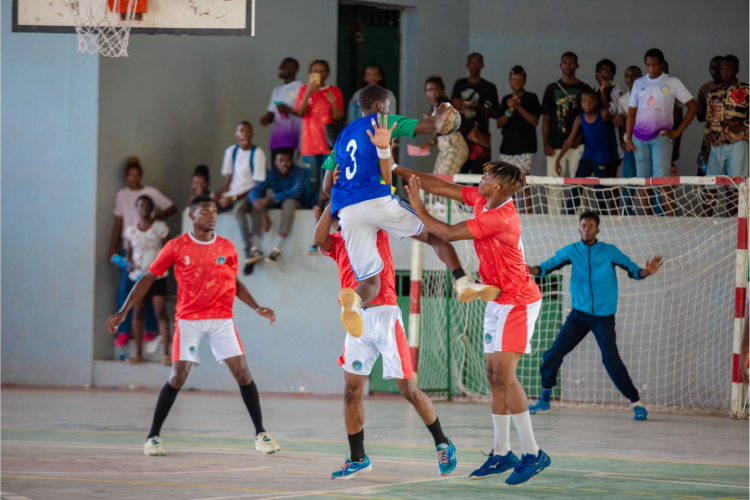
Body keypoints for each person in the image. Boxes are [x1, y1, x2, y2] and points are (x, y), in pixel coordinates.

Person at [394, 161, 550, 486]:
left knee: (506, 377)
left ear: (499, 188)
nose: (482, 178)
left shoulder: (500, 217)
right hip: (495, 298)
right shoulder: (483, 199)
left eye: (487, 176)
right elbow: (440, 186)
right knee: (494, 377)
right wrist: (396, 166)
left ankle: (533, 453)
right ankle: (502, 451)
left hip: (519, 301)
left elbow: (448, 233)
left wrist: (418, 206)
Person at [106, 195, 280, 457]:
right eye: (206, 212)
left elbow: (235, 284)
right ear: (192, 215)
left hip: (221, 319)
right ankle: (152, 437)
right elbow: (147, 279)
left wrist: (256, 307)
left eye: (214, 212)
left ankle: (261, 434)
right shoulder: (177, 247)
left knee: (243, 374)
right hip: (189, 319)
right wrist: (123, 311)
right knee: (178, 375)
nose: (212, 216)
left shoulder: (227, 247)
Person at [321, 85, 500, 337]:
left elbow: (327, 187)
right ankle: (461, 280)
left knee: (370, 283)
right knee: (434, 235)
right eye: (389, 107)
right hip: (376, 198)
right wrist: (445, 108)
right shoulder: (383, 120)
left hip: (347, 211)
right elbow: (433, 125)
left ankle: (353, 304)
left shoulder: (341, 137)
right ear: (381, 106)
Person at [314, 203, 457, 480]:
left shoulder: (373, 227)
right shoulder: (339, 242)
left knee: (408, 390)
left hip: (385, 315)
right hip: (357, 323)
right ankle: (358, 458)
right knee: (351, 392)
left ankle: (443, 443)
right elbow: (319, 238)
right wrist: (333, 200)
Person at [527, 211, 663, 420]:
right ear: (579, 228)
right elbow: (545, 268)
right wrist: (526, 269)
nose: (586, 229)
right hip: (578, 316)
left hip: (603, 318)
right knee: (553, 354)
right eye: (583, 225)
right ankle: (545, 399)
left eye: (591, 226)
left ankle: (636, 403)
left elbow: (634, 271)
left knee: (610, 360)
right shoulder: (572, 251)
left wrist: (647, 272)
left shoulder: (609, 252)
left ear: (597, 230)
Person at [110, 157, 177, 348]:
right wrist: (113, 248)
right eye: (130, 175)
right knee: (128, 294)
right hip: (134, 253)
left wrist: (155, 218)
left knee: (156, 303)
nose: (133, 178)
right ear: (126, 177)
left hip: (154, 261)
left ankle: (151, 331)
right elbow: (118, 222)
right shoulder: (122, 196)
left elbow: (171, 208)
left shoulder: (151, 195)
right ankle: (124, 332)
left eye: (136, 175)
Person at [625, 48, 698, 178]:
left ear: (662, 64)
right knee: (643, 183)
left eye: (655, 65)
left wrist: (678, 131)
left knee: (662, 180)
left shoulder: (672, 82)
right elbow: (631, 113)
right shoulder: (638, 83)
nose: (651, 69)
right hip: (639, 138)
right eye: (648, 65)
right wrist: (629, 139)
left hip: (662, 136)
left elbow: (693, 106)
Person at [216, 121, 269, 275]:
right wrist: (218, 195)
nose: (244, 134)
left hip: (250, 194)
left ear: (252, 134)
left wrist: (233, 198)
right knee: (209, 208)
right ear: (236, 135)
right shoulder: (231, 152)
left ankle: (249, 251)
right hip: (233, 193)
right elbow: (229, 180)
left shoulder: (257, 153)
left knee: (239, 211)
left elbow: (258, 184)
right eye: (241, 131)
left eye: (247, 131)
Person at [124, 195, 171, 365]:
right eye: (141, 205)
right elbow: (128, 254)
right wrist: (128, 264)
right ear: (137, 208)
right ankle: (137, 353)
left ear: (152, 208)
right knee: (137, 312)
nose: (144, 208)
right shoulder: (131, 231)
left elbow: (168, 250)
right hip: (138, 278)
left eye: (147, 205)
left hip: (157, 277)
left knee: (160, 312)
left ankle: (166, 354)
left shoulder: (160, 228)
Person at [295, 59, 344, 205]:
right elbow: (300, 112)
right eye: (315, 71)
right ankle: (312, 210)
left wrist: (334, 102)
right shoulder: (304, 89)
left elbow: (338, 117)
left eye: (322, 71)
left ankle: (327, 209)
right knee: (312, 180)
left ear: (327, 73)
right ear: (310, 73)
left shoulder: (334, 91)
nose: (319, 74)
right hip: (309, 144)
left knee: (327, 180)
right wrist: (308, 94)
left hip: (327, 145)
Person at [247, 150, 308, 268]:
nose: (283, 164)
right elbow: (254, 191)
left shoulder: (299, 172)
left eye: (287, 161)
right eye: (280, 160)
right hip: (277, 202)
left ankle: (277, 249)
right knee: (256, 204)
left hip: (299, 203)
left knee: (289, 202)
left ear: (291, 162)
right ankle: (256, 247)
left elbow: (296, 192)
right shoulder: (271, 173)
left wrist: (271, 198)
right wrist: (263, 210)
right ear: (275, 162)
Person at [556, 89, 613, 213]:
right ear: (580, 104)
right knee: (576, 186)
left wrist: (603, 91)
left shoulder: (603, 114)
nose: (587, 104)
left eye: (590, 101)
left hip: (602, 158)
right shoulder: (579, 119)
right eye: (584, 101)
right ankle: (568, 217)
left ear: (596, 102)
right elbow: (569, 141)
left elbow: (612, 116)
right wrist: (558, 159)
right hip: (587, 157)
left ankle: (604, 220)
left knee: (600, 191)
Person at [496, 65, 541, 213]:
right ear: (510, 81)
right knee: (507, 183)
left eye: (520, 80)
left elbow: (534, 121)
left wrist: (518, 106)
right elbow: (499, 123)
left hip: (525, 149)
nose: (516, 83)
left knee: (523, 181)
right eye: (513, 79)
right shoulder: (505, 100)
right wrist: (510, 110)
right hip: (507, 148)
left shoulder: (531, 98)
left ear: (525, 81)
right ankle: (510, 214)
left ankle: (528, 214)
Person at [542, 52, 592, 185]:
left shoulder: (584, 88)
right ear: (560, 65)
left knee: (580, 187)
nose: (568, 65)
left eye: (571, 62)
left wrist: (579, 138)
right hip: (555, 145)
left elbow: (589, 118)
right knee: (554, 187)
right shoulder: (551, 89)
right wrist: (546, 142)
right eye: (565, 62)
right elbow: (546, 118)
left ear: (577, 65)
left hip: (578, 145)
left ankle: (580, 208)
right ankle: (554, 208)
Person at [451, 53, 500, 175]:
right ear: (467, 64)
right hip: (460, 138)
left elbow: (496, 113)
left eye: (477, 62)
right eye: (471, 62)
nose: (474, 65)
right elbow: (450, 108)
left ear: (482, 65)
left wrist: (479, 108)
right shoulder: (459, 84)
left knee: (480, 178)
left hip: (480, 140)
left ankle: (478, 196)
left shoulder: (489, 87)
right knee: (458, 177)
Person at [705, 55, 748, 177]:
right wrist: (705, 145)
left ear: (736, 70)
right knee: (710, 183)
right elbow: (708, 121)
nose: (725, 72)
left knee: (737, 183)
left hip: (737, 141)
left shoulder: (746, 90)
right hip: (716, 143)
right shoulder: (713, 93)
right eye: (722, 69)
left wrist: (744, 126)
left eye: (729, 70)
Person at [420, 75, 469, 175]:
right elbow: (440, 133)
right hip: (445, 148)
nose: (433, 92)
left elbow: (441, 122)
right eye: (429, 90)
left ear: (442, 90)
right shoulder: (433, 107)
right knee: (436, 179)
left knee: (444, 182)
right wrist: (430, 144)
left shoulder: (444, 103)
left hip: (454, 147)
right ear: (426, 93)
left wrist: (429, 120)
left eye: (435, 89)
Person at [260, 58, 304, 160]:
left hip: (292, 138)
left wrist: (289, 110)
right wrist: (266, 118)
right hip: (276, 139)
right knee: (277, 170)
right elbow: (271, 112)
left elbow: (305, 112)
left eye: (284, 66)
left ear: (294, 69)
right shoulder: (277, 90)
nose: (279, 69)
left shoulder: (301, 87)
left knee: (289, 170)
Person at [614, 66, 644, 215]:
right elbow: (622, 121)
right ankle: (627, 214)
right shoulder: (623, 99)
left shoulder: (647, 94)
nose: (630, 79)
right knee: (628, 180)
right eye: (627, 76)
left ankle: (655, 214)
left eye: (634, 75)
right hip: (630, 143)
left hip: (646, 142)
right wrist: (623, 142)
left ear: (641, 76)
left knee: (648, 181)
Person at [593, 59, 624, 176]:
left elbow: (610, 112)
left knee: (611, 178)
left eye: (608, 73)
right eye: (601, 72)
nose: (604, 76)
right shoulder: (592, 92)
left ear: (612, 76)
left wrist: (602, 92)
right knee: (600, 178)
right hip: (597, 139)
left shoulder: (616, 90)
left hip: (612, 138)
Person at [697, 56, 724, 174]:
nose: (716, 70)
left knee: (732, 181)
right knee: (705, 177)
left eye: (719, 67)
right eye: (713, 67)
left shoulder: (737, 89)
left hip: (732, 139)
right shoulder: (705, 89)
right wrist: (714, 112)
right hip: (711, 138)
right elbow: (700, 116)